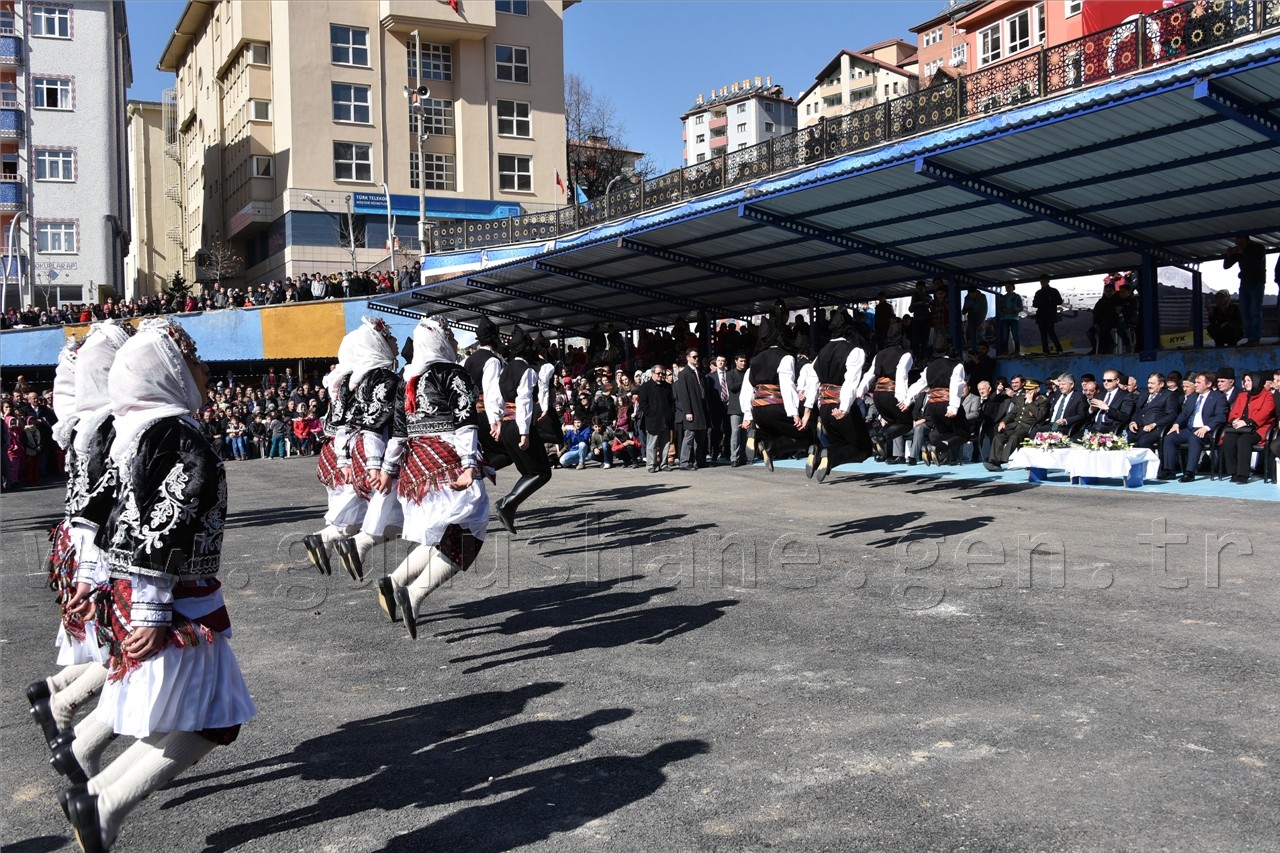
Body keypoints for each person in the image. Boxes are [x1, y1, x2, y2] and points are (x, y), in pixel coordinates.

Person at [62, 317, 256, 853]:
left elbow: (99, 514)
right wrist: (148, 608)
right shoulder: (175, 433)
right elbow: (164, 520)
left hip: (155, 591)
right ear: (168, 371)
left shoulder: (139, 431)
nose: (205, 368)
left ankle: (100, 793)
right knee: (213, 720)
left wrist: (92, 575)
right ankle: (102, 803)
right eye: (192, 359)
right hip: (174, 597)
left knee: (202, 715)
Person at [377, 318, 490, 638]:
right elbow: (466, 422)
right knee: (472, 530)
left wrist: (388, 471)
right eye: (450, 336)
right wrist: (469, 464)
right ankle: (414, 595)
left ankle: (395, 581)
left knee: (444, 532)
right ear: (439, 341)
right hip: (447, 461)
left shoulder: (407, 378)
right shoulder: (454, 374)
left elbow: (398, 433)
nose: (454, 342)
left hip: (418, 469)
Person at [333, 318, 404, 580]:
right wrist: (378, 465)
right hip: (382, 452)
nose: (395, 341)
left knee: (396, 518)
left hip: (367, 450)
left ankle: (397, 582)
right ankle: (401, 586)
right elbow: (376, 424)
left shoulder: (362, 378)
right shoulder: (382, 378)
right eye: (390, 338)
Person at [301, 331, 366, 576]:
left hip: (338, 451)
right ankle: (322, 540)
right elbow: (347, 424)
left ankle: (325, 543)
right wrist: (346, 460)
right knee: (360, 514)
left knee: (354, 514)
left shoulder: (341, 377)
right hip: (346, 452)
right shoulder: (351, 379)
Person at [492, 326, 553, 535]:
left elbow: (496, 399)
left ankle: (509, 505)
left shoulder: (504, 369)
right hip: (519, 424)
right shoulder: (526, 371)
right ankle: (507, 503)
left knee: (530, 471)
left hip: (507, 423)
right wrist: (525, 433)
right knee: (542, 472)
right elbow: (524, 401)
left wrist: (498, 423)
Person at [810, 311, 873, 482]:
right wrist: (844, 407)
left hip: (824, 407)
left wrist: (812, 408)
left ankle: (819, 454)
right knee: (863, 449)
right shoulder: (854, 351)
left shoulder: (821, 353)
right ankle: (828, 455)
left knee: (841, 442)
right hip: (840, 406)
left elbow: (812, 380)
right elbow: (850, 382)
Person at [740, 320, 809, 472]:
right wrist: (794, 413)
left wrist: (747, 415)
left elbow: (747, 388)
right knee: (806, 435)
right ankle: (769, 448)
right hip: (776, 405)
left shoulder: (755, 360)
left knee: (772, 431)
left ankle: (757, 435)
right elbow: (787, 385)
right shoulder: (785, 357)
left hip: (757, 410)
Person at [857, 322, 914, 461]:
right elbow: (901, 375)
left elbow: (869, 374)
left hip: (878, 394)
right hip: (892, 392)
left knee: (890, 421)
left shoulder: (879, 355)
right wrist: (902, 398)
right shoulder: (905, 354)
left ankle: (877, 437)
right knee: (906, 424)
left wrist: (861, 390)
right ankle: (881, 438)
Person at [1159, 371, 1228, 483]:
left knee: (1194, 438)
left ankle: (1190, 472)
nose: (1195, 385)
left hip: (1207, 431)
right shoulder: (1193, 397)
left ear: (1209, 384)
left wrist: (1206, 427)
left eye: (1198, 382)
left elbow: (1220, 416)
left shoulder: (1218, 397)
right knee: (1169, 438)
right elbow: (1185, 414)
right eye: (1195, 382)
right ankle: (1169, 470)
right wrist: (1176, 424)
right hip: (1190, 429)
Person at [906, 350, 968, 465]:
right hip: (946, 402)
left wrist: (907, 400)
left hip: (933, 406)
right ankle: (936, 448)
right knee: (964, 435)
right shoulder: (956, 366)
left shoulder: (929, 367)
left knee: (945, 432)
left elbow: (919, 384)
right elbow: (956, 384)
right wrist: (953, 407)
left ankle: (937, 449)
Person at [1219, 371, 1276, 484]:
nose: (1246, 383)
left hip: (1259, 428)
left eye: (1249, 380)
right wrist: (1234, 421)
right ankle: (1233, 472)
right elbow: (1234, 411)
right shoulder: (1242, 395)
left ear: (1256, 381)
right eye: (1245, 381)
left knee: (1244, 441)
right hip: (1240, 427)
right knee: (1228, 441)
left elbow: (1265, 413)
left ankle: (1243, 474)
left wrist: (1247, 422)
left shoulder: (1268, 396)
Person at [985, 380, 1048, 470]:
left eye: (1030, 390)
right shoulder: (1021, 399)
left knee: (1015, 437)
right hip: (1015, 425)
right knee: (999, 437)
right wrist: (1003, 422)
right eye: (1026, 390)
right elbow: (1012, 414)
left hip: (1028, 427)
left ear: (1037, 389)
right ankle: (993, 461)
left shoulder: (1042, 401)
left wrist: (1030, 403)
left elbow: (1040, 417)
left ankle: (1000, 461)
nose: (1027, 392)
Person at [1224, 234, 1265, 345]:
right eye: (1237, 244)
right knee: (1245, 312)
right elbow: (1226, 266)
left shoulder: (1259, 248)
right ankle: (1250, 338)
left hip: (1257, 284)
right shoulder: (1239, 251)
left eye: (1241, 243)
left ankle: (1254, 339)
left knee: (1254, 312)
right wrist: (1228, 255)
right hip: (1244, 284)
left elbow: (1257, 260)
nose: (1239, 246)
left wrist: (1243, 253)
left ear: (1248, 241)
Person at [672, 348, 708, 471]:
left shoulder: (699, 372)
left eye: (697, 356)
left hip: (701, 408)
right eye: (694, 357)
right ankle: (685, 461)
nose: (696, 359)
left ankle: (699, 460)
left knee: (701, 436)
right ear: (688, 358)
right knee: (689, 436)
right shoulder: (684, 374)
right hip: (691, 409)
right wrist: (688, 411)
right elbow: (683, 394)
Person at [1128, 373, 1179, 450]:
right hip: (1141, 427)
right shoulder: (1144, 394)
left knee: (1144, 441)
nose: (1149, 386)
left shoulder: (1169, 395)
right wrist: (1133, 422)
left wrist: (1154, 424)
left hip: (1157, 428)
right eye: (1148, 383)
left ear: (1161, 384)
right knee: (1123, 438)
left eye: (1152, 383)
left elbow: (1172, 415)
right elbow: (1138, 411)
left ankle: (1152, 461)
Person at [637, 367, 674, 473]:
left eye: (663, 374)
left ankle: (664, 464)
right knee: (652, 444)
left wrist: (670, 413)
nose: (661, 376)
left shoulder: (667, 386)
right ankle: (651, 464)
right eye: (658, 373)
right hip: (653, 420)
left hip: (666, 420)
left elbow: (672, 402)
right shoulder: (646, 386)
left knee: (665, 443)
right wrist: (651, 413)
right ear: (653, 373)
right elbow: (643, 403)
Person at [1086, 369, 1136, 434]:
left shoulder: (1126, 395)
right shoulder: (1100, 395)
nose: (1106, 383)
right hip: (1094, 427)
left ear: (1117, 381)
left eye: (1109, 380)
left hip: (1110, 429)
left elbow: (1125, 417)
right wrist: (1091, 410)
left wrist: (1107, 408)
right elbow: (1088, 417)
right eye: (1104, 380)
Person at [1032, 275, 1065, 355]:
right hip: (1043, 315)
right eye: (1041, 281)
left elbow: (1059, 301)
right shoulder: (1039, 292)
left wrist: (1048, 301)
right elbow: (1034, 304)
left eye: (1043, 281)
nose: (1042, 283)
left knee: (1050, 332)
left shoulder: (1052, 291)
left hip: (1048, 315)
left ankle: (1058, 349)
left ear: (1047, 281)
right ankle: (1047, 350)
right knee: (1044, 334)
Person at [726, 354, 748, 466]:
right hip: (735, 408)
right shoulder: (730, 374)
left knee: (745, 434)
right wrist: (745, 382)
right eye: (741, 361)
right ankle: (734, 458)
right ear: (736, 361)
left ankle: (743, 456)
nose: (743, 363)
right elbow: (732, 387)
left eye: (744, 361)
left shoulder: (748, 373)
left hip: (746, 408)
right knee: (735, 433)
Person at [996, 283, 1023, 355]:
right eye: (1006, 287)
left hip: (1014, 318)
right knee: (1005, 336)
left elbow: (1021, 308)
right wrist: (1004, 310)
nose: (1007, 288)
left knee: (1015, 335)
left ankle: (1017, 351)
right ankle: (1005, 351)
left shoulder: (1017, 296)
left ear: (1013, 287)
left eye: (1009, 287)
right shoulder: (1003, 297)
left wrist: (1014, 310)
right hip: (1004, 318)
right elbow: (999, 308)